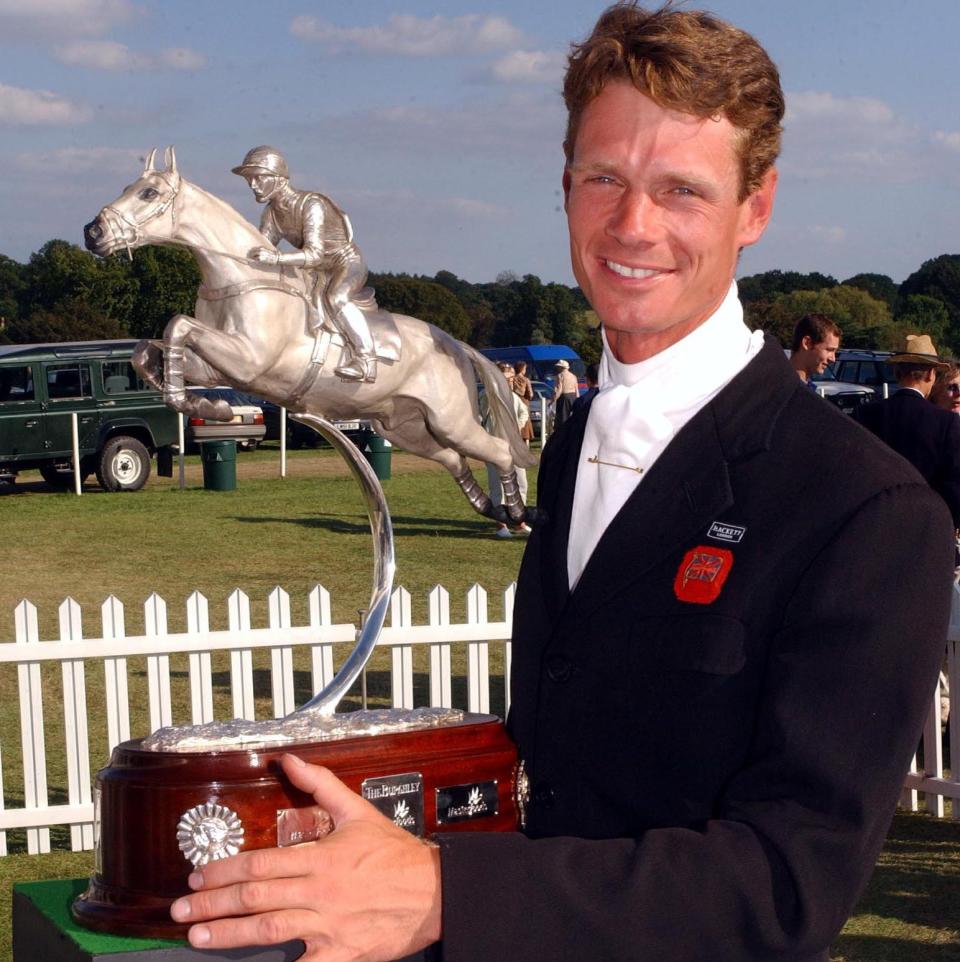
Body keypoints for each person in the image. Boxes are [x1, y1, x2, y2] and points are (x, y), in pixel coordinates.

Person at [172, 6, 954, 961]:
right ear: (566, 184)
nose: (633, 226)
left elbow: (787, 887)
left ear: (757, 206)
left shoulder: (867, 510)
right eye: (604, 178)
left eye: (682, 190)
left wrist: (448, 896)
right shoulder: (575, 430)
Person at [233, 146, 377, 382]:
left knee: (336, 298)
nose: (252, 185)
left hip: (344, 262)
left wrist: (277, 258)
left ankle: (366, 359)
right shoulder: (271, 214)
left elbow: (315, 254)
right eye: (249, 179)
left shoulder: (311, 204)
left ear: (278, 179)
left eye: (258, 177)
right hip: (313, 272)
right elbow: (261, 250)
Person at [855, 334, 960, 528]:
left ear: (897, 373)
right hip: (925, 525)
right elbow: (953, 488)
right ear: (930, 374)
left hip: (874, 523)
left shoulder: (866, 414)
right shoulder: (946, 423)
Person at [483, 362, 532, 538]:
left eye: (511, 378)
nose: (510, 382)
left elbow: (523, 414)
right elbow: (481, 413)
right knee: (498, 487)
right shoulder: (487, 396)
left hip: (514, 447)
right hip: (494, 447)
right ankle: (501, 525)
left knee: (520, 483)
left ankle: (519, 522)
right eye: (506, 378)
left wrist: (516, 428)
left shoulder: (514, 397)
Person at [789, 313, 841, 385]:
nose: (833, 359)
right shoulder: (779, 389)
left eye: (835, 352)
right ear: (807, 343)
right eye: (829, 350)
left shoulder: (805, 389)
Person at [511, 360, 535, 444]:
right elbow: (530, 394)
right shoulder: (526, 380)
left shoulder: (512, 379)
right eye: (525, 368)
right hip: (524, 401)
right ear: (522, 369)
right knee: (525, 420)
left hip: (513, 400)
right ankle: (526, 442)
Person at [551, 358, 579, 428]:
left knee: (562, 418)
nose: (557, 368)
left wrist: (553, 400)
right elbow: (577, 390)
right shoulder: (573, 376)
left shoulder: (560, 375)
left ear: (561, 367)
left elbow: (559, 389)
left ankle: (562, 434)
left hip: (564, 397)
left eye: (558, 367)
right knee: (573, 416)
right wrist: (577, 399)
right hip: (573, 396)